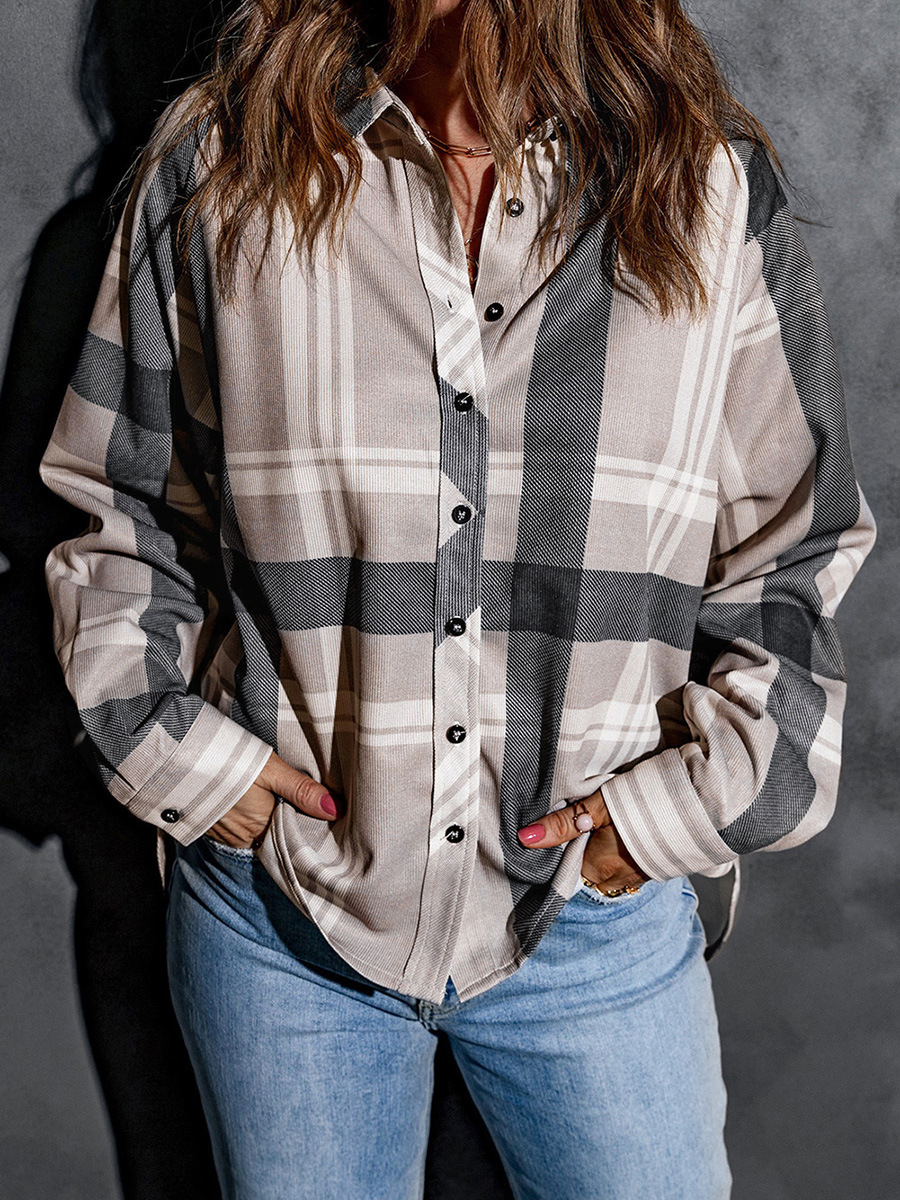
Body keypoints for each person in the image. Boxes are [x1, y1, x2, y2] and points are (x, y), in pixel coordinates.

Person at [38, 0, 876, 1197]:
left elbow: (795, 551)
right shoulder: (220, 163)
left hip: (588, 919)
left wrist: (675, 814)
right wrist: (183, 759)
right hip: (288, 915)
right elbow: (121, 505)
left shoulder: (705, 185)